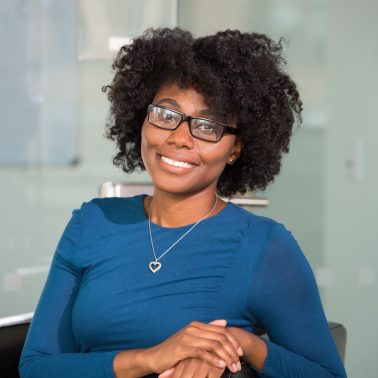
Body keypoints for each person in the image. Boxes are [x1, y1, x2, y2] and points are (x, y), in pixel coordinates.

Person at [19, 28, 347, 378]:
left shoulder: (264, 248)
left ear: (235, 148)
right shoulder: (92, 223)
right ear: (142, 120)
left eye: (207, 126)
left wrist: (241, 344)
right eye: (166, 114)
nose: (179, 138)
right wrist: (150, 358)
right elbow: (37, 366)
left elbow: (327, 374)